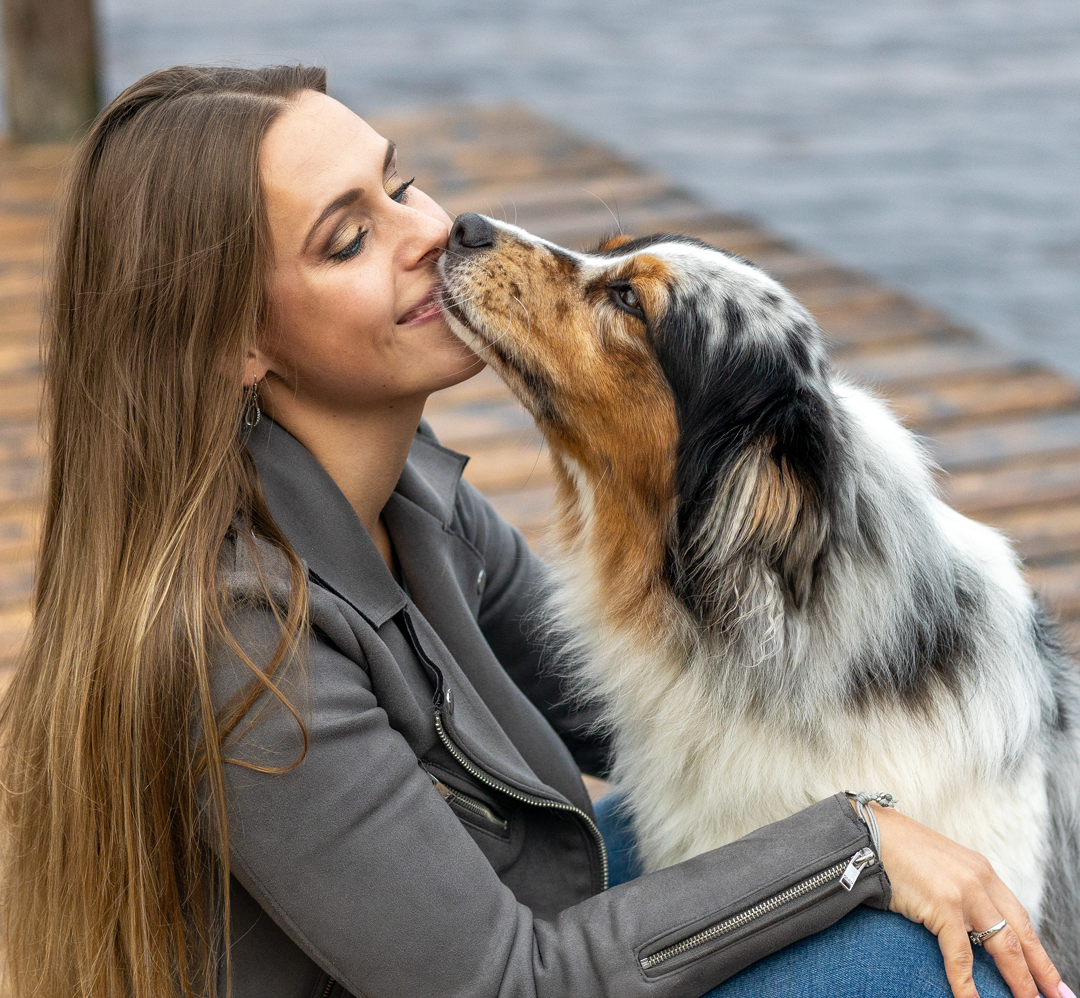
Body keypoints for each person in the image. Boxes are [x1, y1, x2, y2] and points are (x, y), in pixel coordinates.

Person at [0, 64, 1068, 998]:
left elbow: (644, 715)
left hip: (483, 936)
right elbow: (500, 983)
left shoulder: (412, 501)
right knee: (906, 968)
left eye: (400, 181)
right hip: (489, 978)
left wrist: (966, 675)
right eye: (350, 238)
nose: (434, 230)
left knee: (900, 891)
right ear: (233, 342)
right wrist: (862, 846)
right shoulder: (235, 645)